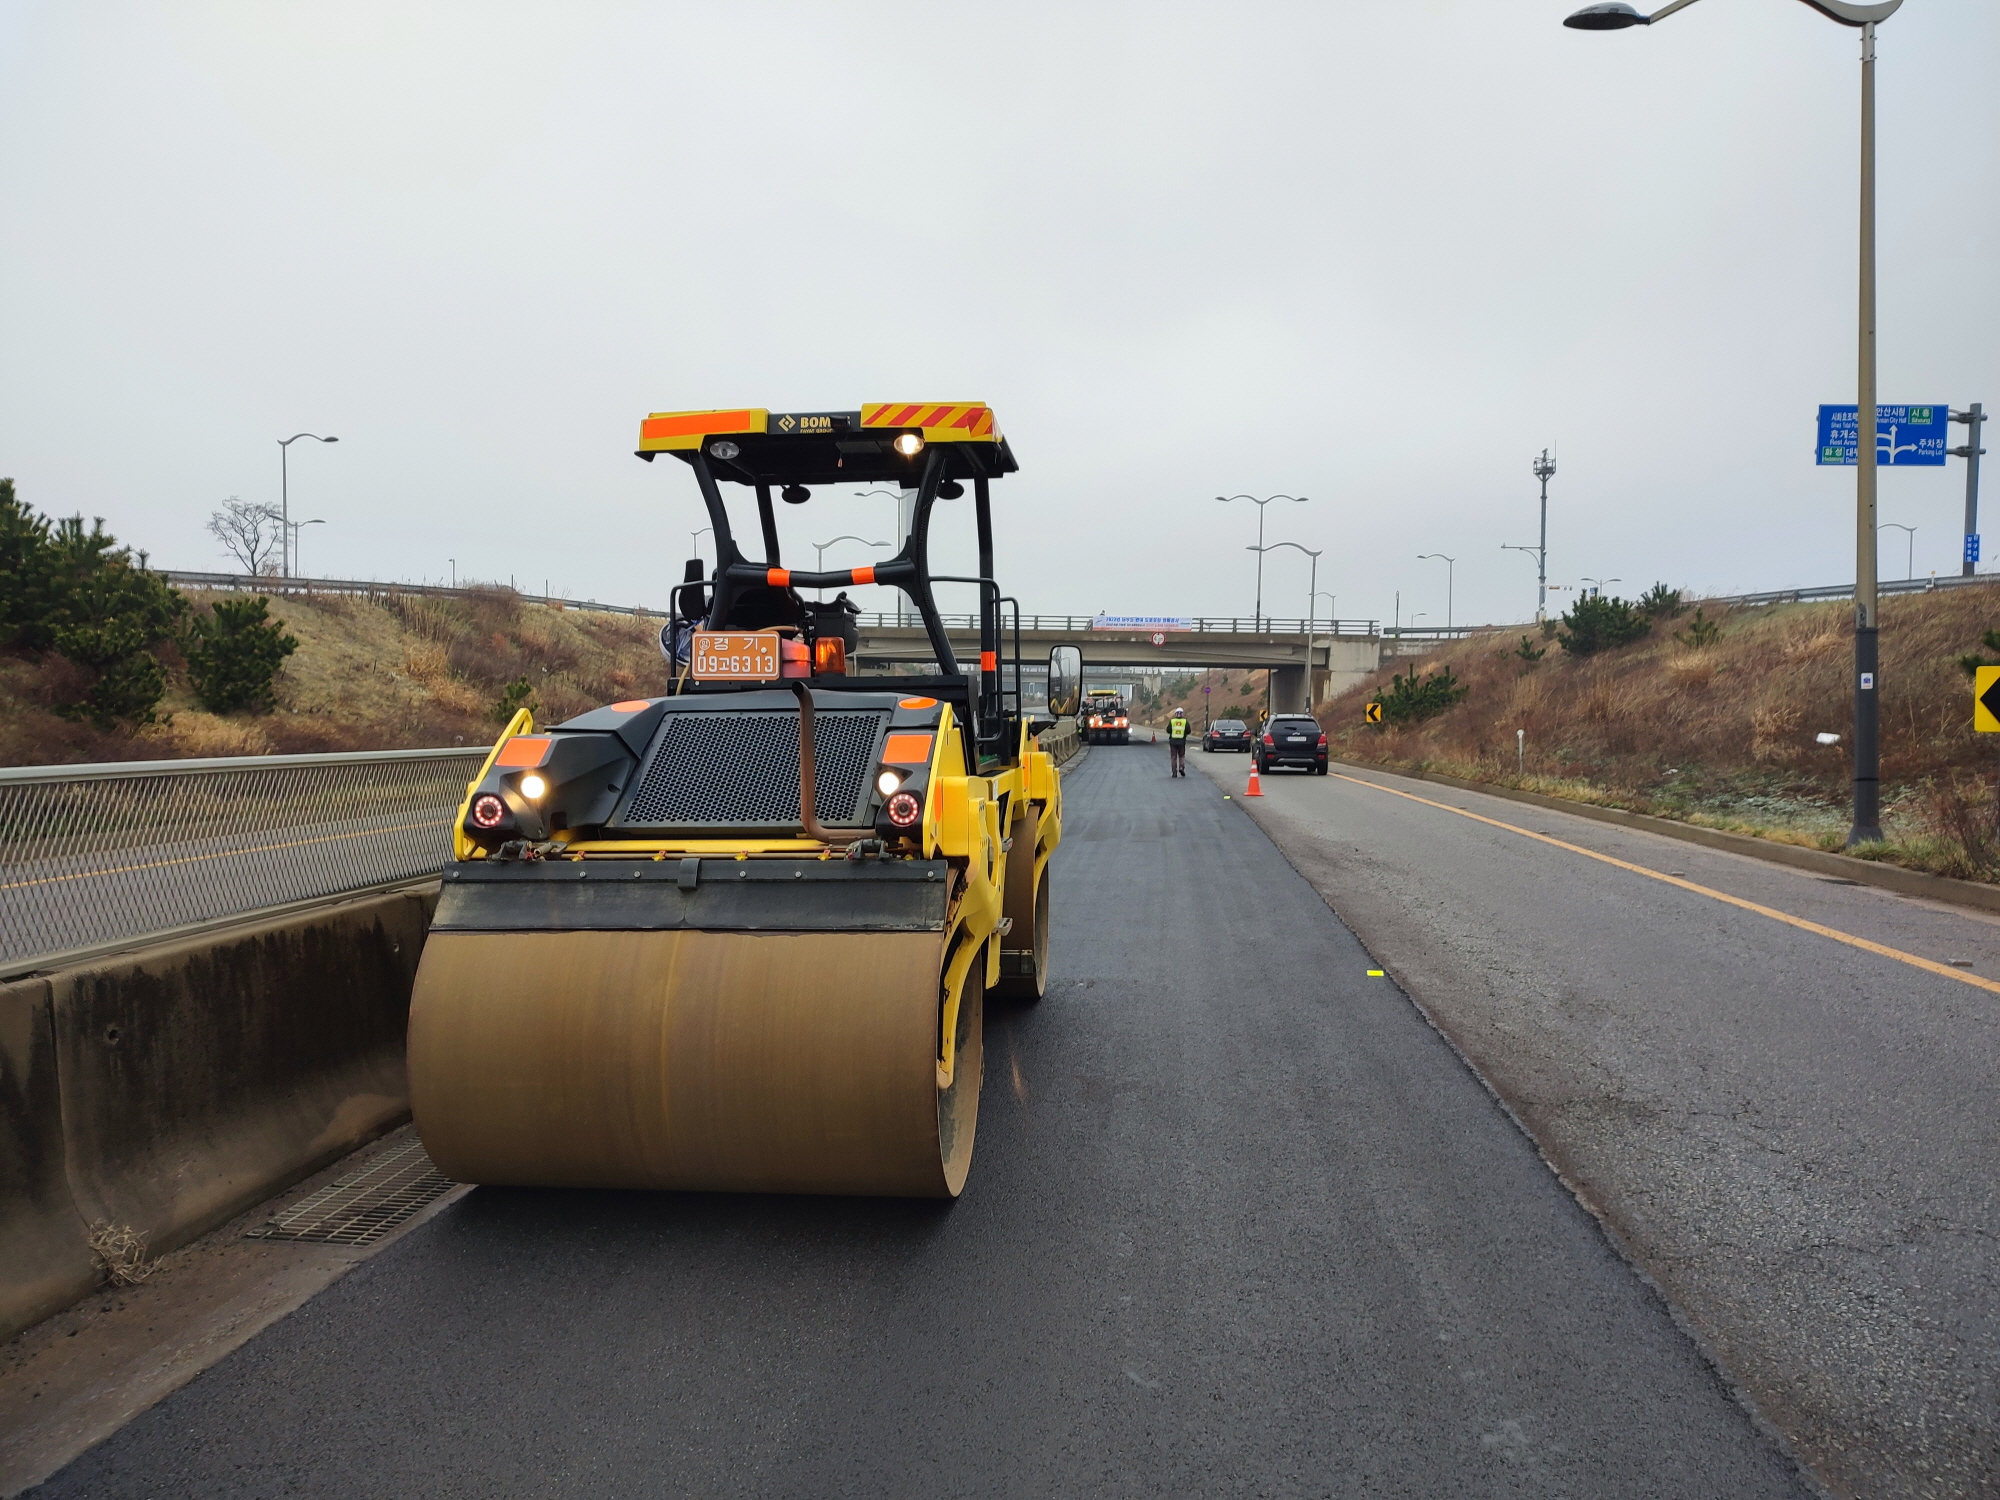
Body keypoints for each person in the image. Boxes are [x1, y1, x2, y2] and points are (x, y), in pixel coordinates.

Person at [1166, 706, 1190, 778]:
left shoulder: (1172, 721)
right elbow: (1188, 731)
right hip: (1182, 742)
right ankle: (1181, 768)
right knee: (1181, 756)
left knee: (1173, 757)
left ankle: (1174, 772)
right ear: (1182, 714)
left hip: (1173, 742)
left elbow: (1168, 730)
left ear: (1176, 714)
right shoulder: (1185, 721)